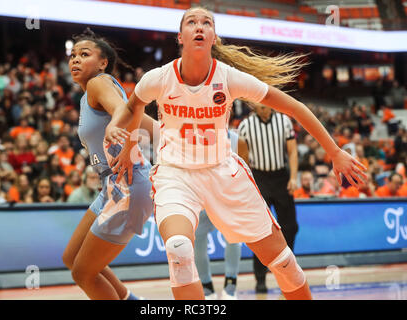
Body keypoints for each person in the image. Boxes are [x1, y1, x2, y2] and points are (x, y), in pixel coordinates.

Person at [105, 7, 366, 300]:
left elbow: (293, 107)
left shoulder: (228, 78)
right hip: (175, 175)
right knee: (179, 249)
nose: (200, 26)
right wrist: (126, 143)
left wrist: (334, 151)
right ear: (181, 36)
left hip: (223, 172)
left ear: (214, 37)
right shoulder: (160, 77)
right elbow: (131, 107)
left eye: (207, 23)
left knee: (284, 263)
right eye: (192, 22)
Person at [61, 28, 158, 300]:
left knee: (83, 273)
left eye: (84, 54)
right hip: (111, 186)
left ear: (103, 63)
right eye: (73, 55)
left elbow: (120, 111)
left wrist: (126, 141)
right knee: (72, 258)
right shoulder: (90, 95)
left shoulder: (99, 82)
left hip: (128, 184)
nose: (76, 60)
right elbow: (150, 124)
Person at [238, 103, 299, 294]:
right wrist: (246, 184)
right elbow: (242, 157)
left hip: (281, 177)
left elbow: (292, 151)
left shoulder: (284, 121)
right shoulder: (245, 125)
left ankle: (289, 275)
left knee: (290, 227)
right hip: (259, 178)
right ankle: (260, 278)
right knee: (260, 231)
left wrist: (294, 177)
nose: (261, 106)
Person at [194, 130, 241, 300]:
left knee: (234, 238)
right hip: (202, 198)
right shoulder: (194, 135)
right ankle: (206, 285)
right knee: (197, 241)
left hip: (226, 198)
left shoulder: (235, 138)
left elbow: (242, 171)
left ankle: (231, 283)